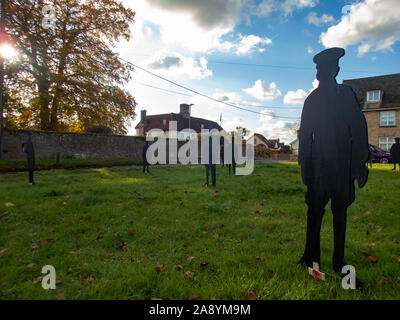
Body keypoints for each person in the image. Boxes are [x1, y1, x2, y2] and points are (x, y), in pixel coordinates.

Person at [298, 47, 370, 289]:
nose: (320, 72)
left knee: (340, 215)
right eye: (318, 68)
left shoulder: (345, 94)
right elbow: (305, 135)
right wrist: (305, 166)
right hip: (319, 169)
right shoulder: (312, 100)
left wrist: (360, 164)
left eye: (325, 68)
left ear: (335, 70)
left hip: (341, 167)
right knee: (314, 215)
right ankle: (311, 258)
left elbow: (358, 129)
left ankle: (339, 263)